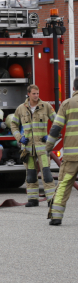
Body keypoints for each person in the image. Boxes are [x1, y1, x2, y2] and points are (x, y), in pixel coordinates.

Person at [9, 85, 56, 207]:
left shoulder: (46, 107)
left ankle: (52, 199)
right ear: (28, 94)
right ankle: (33, 199)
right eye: (34, 93)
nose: (36, 96)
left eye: (37, 93)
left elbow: (57, 123)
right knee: (30, 175)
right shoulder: (21, 109)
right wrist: (19, 138)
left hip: (43, 148)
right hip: (28, 149)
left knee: (47, 174)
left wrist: (50, 136)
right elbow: (13, 125)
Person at [44, 78, 78, 225]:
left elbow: (56, 128)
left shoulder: (67, 103)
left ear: (74, 87)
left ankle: (56, 216)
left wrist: (48, 148)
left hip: (71, 155)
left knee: (64, 184)